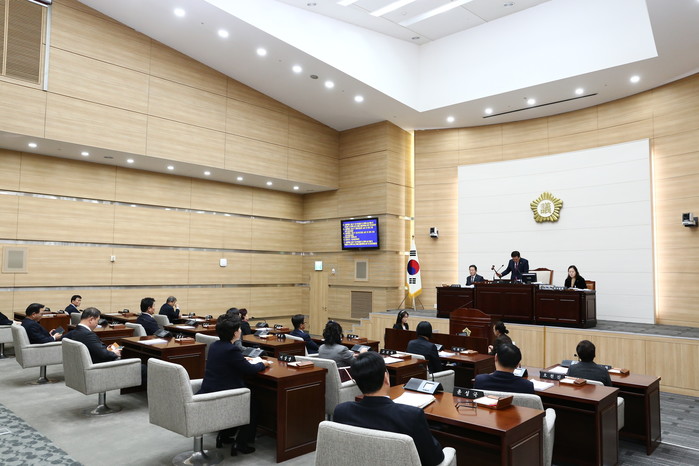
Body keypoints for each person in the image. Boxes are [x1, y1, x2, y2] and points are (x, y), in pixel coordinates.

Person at [334, 352, 445, 466]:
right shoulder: (412, 416)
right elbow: (434, 458)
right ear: (386, 377)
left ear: (356, 381)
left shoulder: (341, 411)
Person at [197, 317, 272, 455]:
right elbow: (250, 370)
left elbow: (230, 362)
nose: (240, 330)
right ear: (234, 333)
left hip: (210, 390)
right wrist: (263, 364)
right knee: (253, 405)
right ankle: (241, 443)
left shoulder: (215, 345)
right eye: (239, 328)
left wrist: (242, 359)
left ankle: (224, 436)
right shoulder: (231, 350)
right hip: (223, 394)